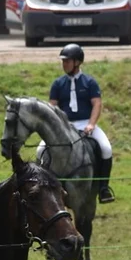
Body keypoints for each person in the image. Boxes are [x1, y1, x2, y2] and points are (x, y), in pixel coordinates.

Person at [48, 43, 115, 203]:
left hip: (85, 123)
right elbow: (52, 106)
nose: (64, 65)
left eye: (67, 61)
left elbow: (97, 104)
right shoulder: (58, 84)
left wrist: (91, 124)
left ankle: (103, 188)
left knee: (106, 148)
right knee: (40, 151)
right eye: (63, 61)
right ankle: (46, 188)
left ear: (77, 62)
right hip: (65, 124)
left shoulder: (89, 82)